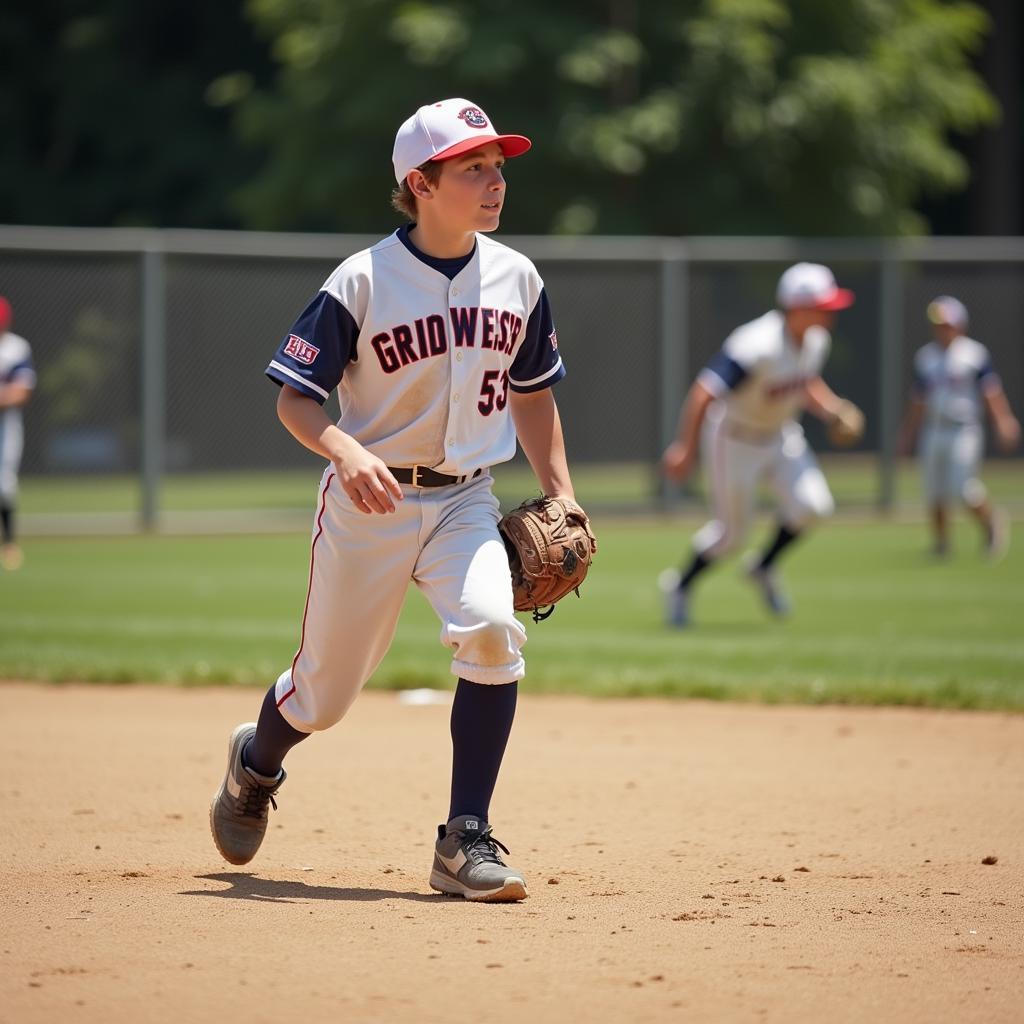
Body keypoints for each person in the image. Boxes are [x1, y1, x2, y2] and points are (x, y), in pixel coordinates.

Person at [210, 98, 577, 903]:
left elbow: (535, 393)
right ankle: (254, 766)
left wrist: (564, 495)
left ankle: (464, 839)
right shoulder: (362, 280)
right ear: (421, 180)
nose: (494, 180)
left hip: (466, 503)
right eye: (473, 166)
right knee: (322, 695)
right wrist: (344, 449)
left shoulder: (518, 277)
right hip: (367, 506)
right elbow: (296, 401)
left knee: (490, 630)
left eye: (498, 166)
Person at [659, 263, 856, 627]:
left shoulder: (815, 341)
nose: (831, 313)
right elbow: (704, 392)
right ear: (797, 307)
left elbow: (804, 382)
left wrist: (832, 410)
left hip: (781, 435)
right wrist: (685, 447)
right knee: (731, 536)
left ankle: (763, 567)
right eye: (823, 306)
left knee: (814, 506)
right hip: (734, 439)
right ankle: (679, 586)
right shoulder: (757, 345)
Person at [898, 295, 1020, 559]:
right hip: (934, 428)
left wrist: (1004, 421)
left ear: (960, 324)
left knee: (962, 488)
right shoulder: (926, 357)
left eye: (947, 324)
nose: (942, 329)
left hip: (964, 428)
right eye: (938, 324)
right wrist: (908, 433)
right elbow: (918, 401)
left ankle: (991, 522)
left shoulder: (973, 354)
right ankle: (941, 545)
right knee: (934, 491)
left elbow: (991, 392)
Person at [0, 296, 36, 571]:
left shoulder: (16, 348)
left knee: (4, 483)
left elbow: (22, 392)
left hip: (5, 426)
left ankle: (9, 543)